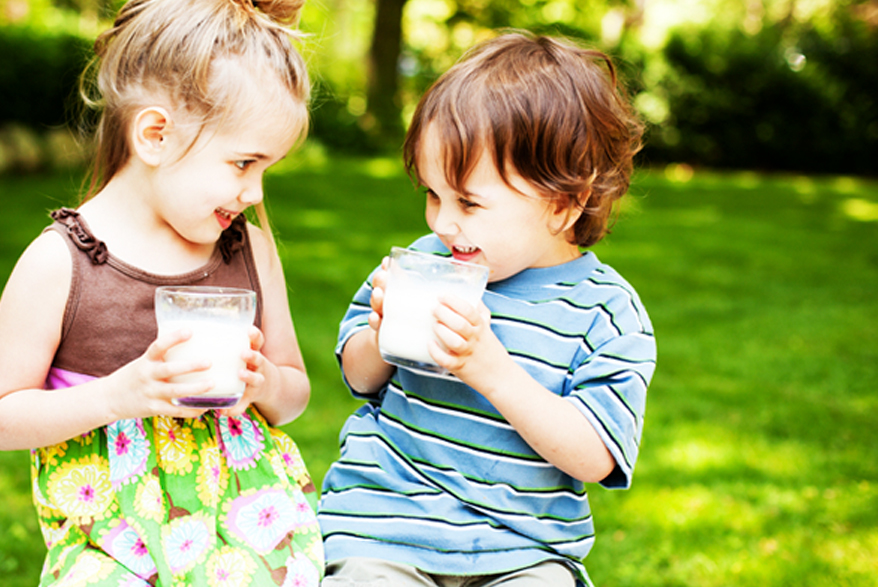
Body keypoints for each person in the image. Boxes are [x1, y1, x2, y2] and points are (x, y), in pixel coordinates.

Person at [0, 0, 324, 584]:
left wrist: (265, 383)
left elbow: (294, 392)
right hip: (111, 544)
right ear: (155, 135)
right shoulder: (61, 263)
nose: (254, 191)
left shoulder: (247, 249)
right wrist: (116, 397)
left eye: (265, 170)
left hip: (246, 533)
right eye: (243, 162)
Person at [317, 31, 656, 586]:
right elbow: (357, 375)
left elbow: (595, 457)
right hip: (386, 530)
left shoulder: (606, 313)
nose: (442, 224)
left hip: (523, 553)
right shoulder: (426, 264)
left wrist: (490, 369)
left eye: (469, 202)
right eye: (432, 194)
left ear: (564, 204)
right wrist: (380, 333)